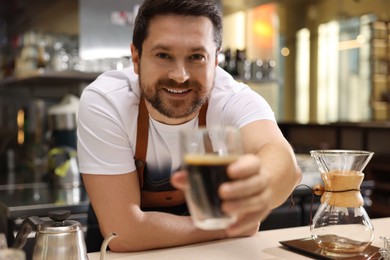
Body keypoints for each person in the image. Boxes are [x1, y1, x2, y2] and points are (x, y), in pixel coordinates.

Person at [77, 0, 302, 253]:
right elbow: (123, 232)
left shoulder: (232, 98)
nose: (180, 75)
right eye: (163, 55)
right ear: (136, 58)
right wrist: (227, 225)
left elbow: (282, 160)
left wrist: (261, 184)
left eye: (196, 57)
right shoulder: (106, 101)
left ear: (215, 61)